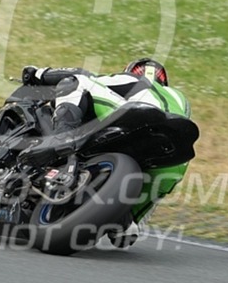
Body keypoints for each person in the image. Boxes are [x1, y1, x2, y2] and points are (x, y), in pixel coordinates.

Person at [19, 58, 194, 247]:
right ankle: (125, 221)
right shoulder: (179, 99)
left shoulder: (132, 79)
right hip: (174, 155)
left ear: (133, 70)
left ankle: (60, 138)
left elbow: (81, 74)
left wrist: (38, 74)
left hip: (135, 116)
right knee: (128, 231)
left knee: (77, 82)